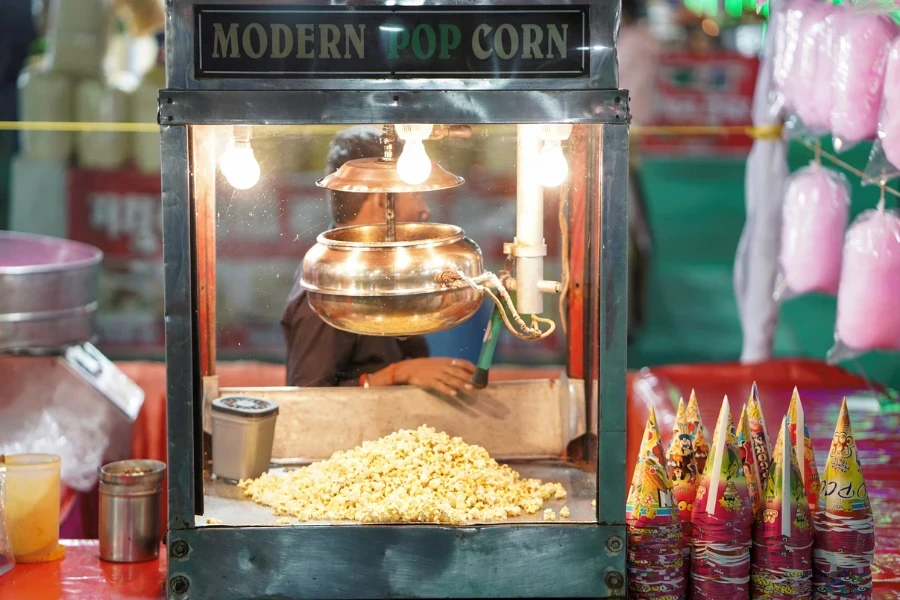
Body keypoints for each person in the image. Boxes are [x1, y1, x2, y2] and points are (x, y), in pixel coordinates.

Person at [282, 127, 477, 396]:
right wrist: (400, 374)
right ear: (382, 199)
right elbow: (307, 397)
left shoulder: (380, 271)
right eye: (415, 193)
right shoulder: (328, 289)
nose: (425, 209)